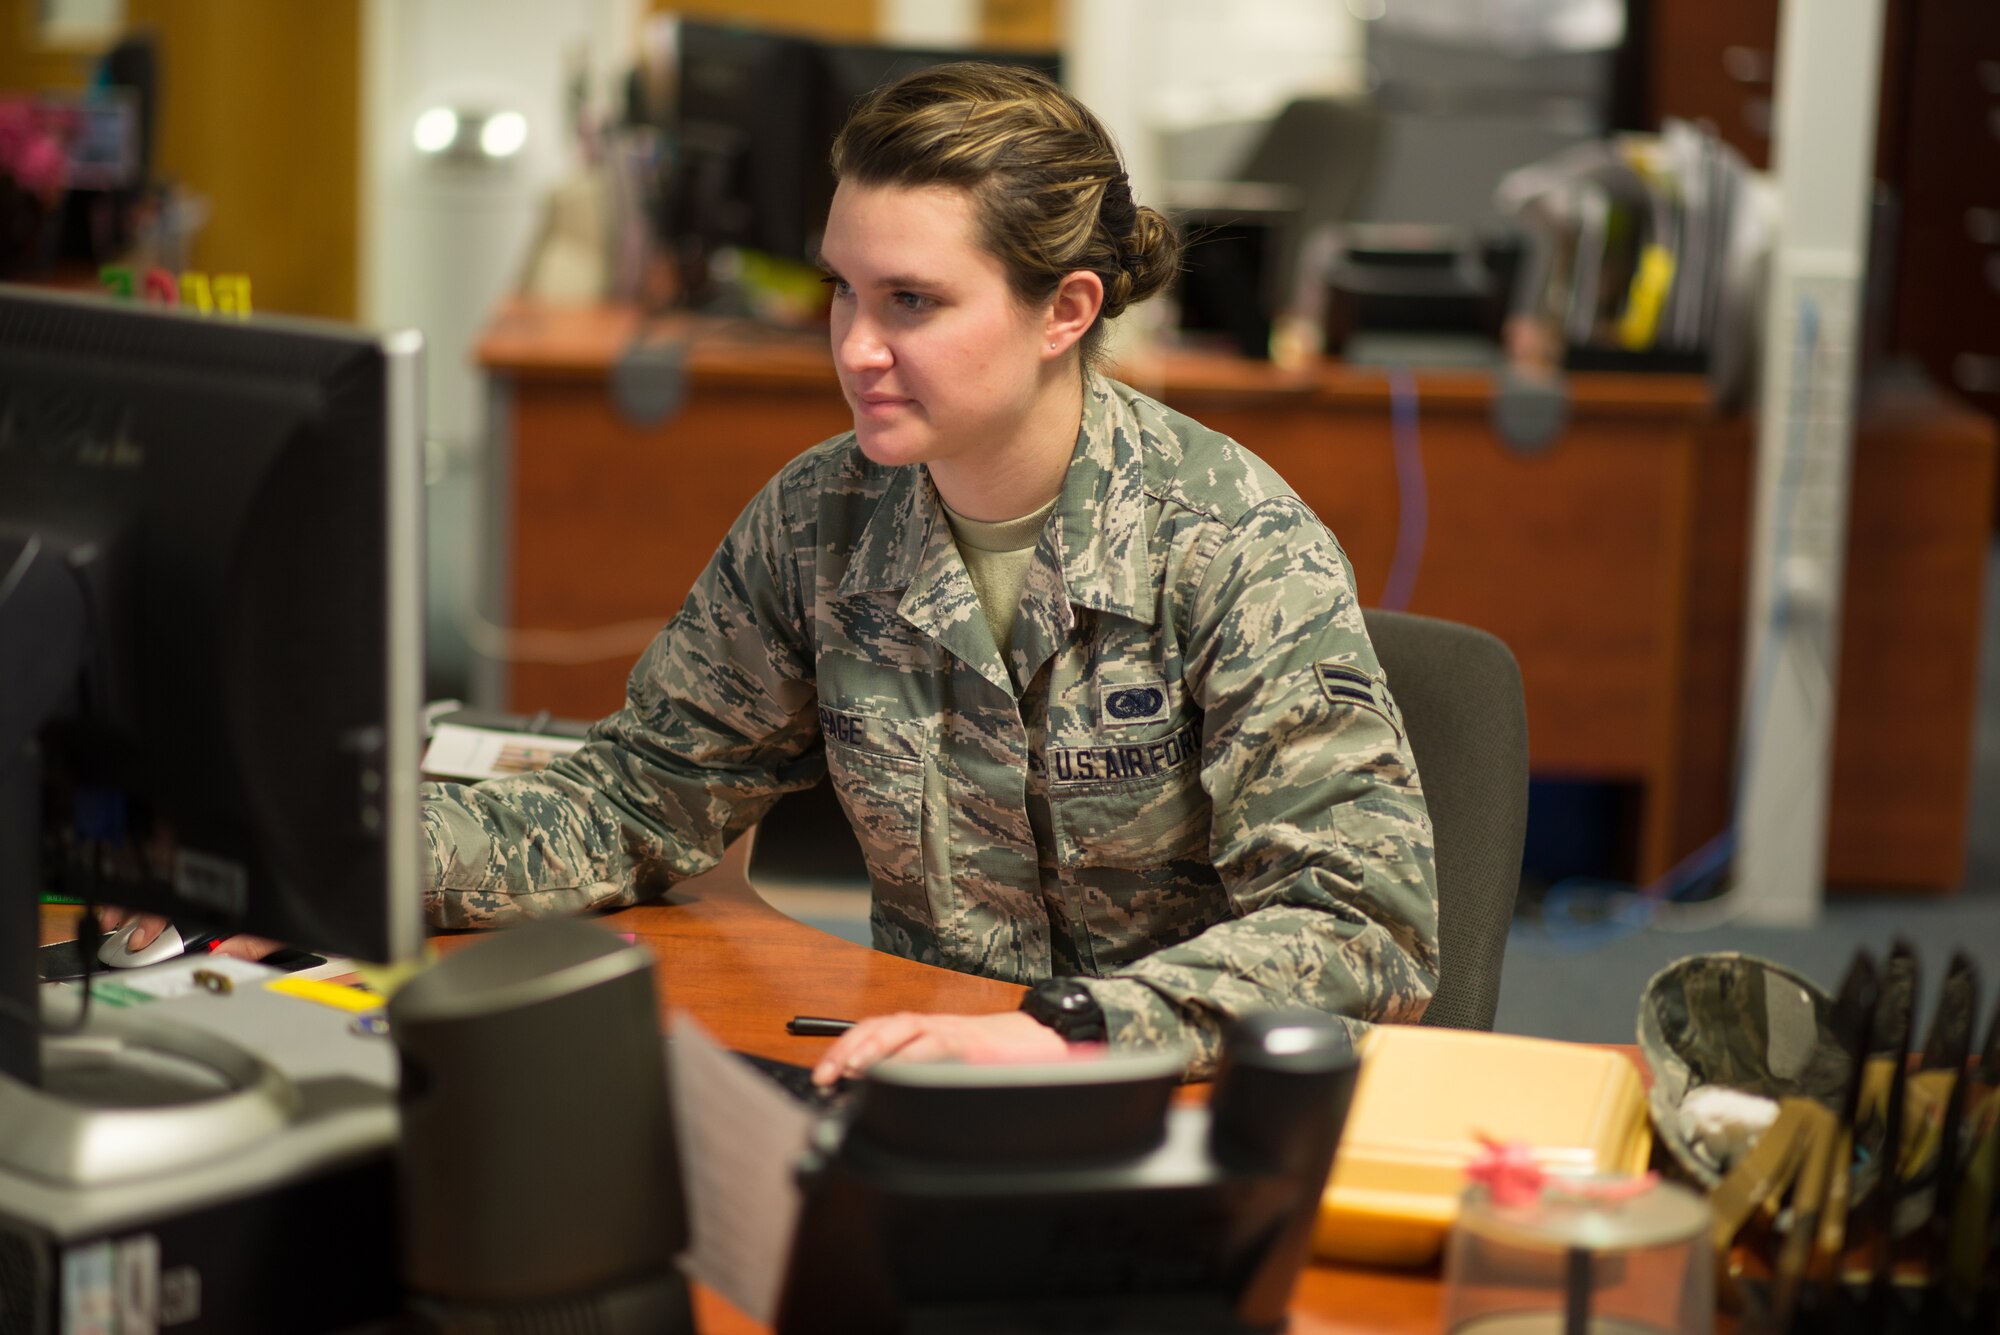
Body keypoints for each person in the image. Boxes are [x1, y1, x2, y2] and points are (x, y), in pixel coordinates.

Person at [131, 62, 1439, 1083]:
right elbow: (637, 802)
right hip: (916, 1077)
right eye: (841, 293)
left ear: (1067, 311)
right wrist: (308, 845)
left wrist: (1080, 1030)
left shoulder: (1231, 547)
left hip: (1185, 1093)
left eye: (912, 302)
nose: (857, 347)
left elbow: (1367, 922)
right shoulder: (822, 523)